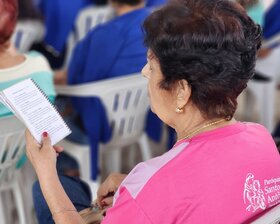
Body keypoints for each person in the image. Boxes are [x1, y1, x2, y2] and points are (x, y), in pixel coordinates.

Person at [27, 0, 280, 223]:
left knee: (48, 189)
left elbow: (174, 192)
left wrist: (45, 169)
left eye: (151, 65)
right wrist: (133, 186)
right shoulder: (262, 139)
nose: (144, 72)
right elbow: (211, 191)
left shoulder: (156, 181)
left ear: (182, 90)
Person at [55, 0, 149, 180]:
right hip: (135, 116)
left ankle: (69, 174)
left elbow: (75, 80)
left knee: (49, 108)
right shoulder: (160, 26)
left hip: (102, 122)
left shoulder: (104, 35)